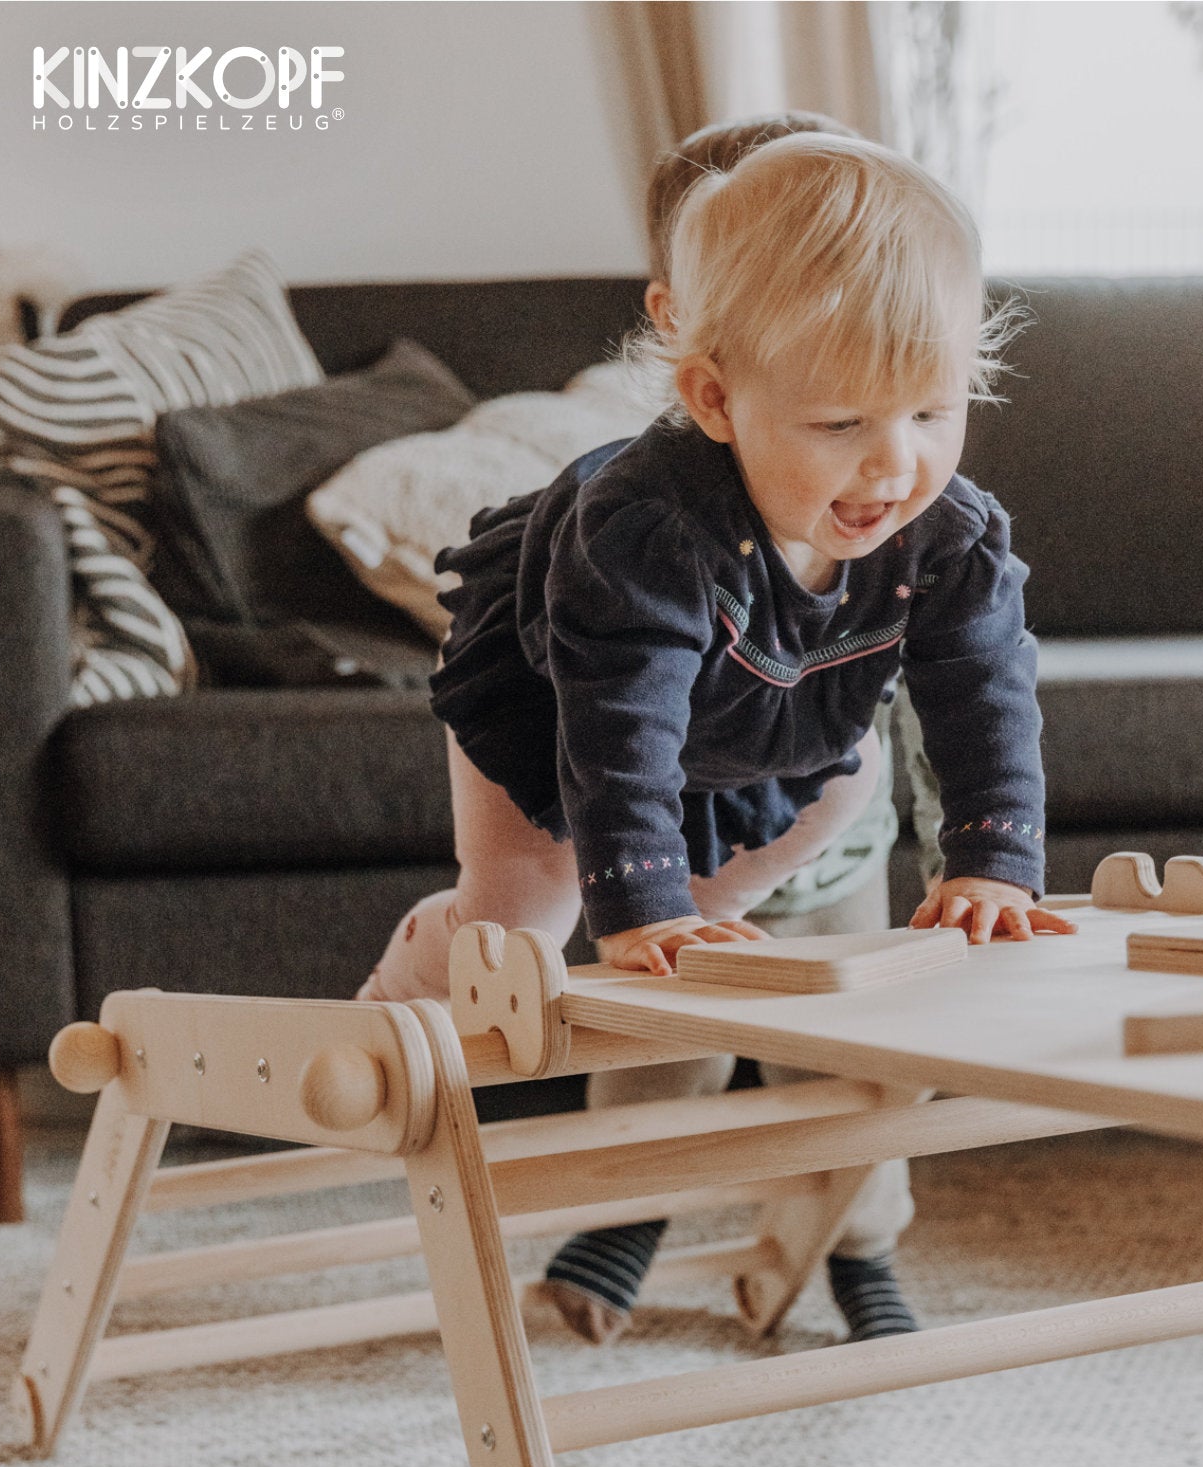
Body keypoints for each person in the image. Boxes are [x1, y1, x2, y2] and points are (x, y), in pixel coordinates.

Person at [359, 130, 1075, 1342]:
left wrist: (991, 858)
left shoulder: (945, 530)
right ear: (712, 397)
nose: (894, 464)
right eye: (842, 421)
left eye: (933, 410)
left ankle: (854, 1247)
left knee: (810, 956)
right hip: (553, 711)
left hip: (770, 750)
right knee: (526, 936)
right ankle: (401, 988)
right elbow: (618, 720)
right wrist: (637, 902)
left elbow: (984, 687)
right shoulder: (644, 525)